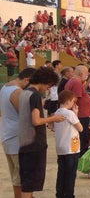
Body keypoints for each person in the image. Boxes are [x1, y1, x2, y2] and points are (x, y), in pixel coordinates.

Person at [18, 66, 65, 198]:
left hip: (24, 141)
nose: (49, 88)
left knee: (27, 180)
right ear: (46, 81)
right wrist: (54, 118)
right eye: (49, 85)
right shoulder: (34, 95)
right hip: (34, 144)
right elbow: (36, 121)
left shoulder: (24, 92)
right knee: (30, 182)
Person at [0, 67, 35, 198]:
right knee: (21, 177)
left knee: (16, 175)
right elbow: (26, 117)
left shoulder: (5, 87)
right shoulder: (17, 92)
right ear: (27, 80)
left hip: (7, 136)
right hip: (16, 139)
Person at [53, 89, 83, 198]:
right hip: (71, 147)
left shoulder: (57, 112)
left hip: (61, 147)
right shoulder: (69, 113)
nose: (73, 104)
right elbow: (80, 128)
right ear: (68, 101)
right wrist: (75, 114)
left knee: (61, 172)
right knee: (70, 174)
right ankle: (69, 194)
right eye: (73, 101)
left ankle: (60, 193)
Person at [64, 64, 90, 155]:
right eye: (86, 74)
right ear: (81, 74)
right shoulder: (76, 82)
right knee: (82, 137)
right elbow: (75, 99)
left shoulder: (73, 81)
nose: (87, 76)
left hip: (80, 115)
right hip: (80, 115)